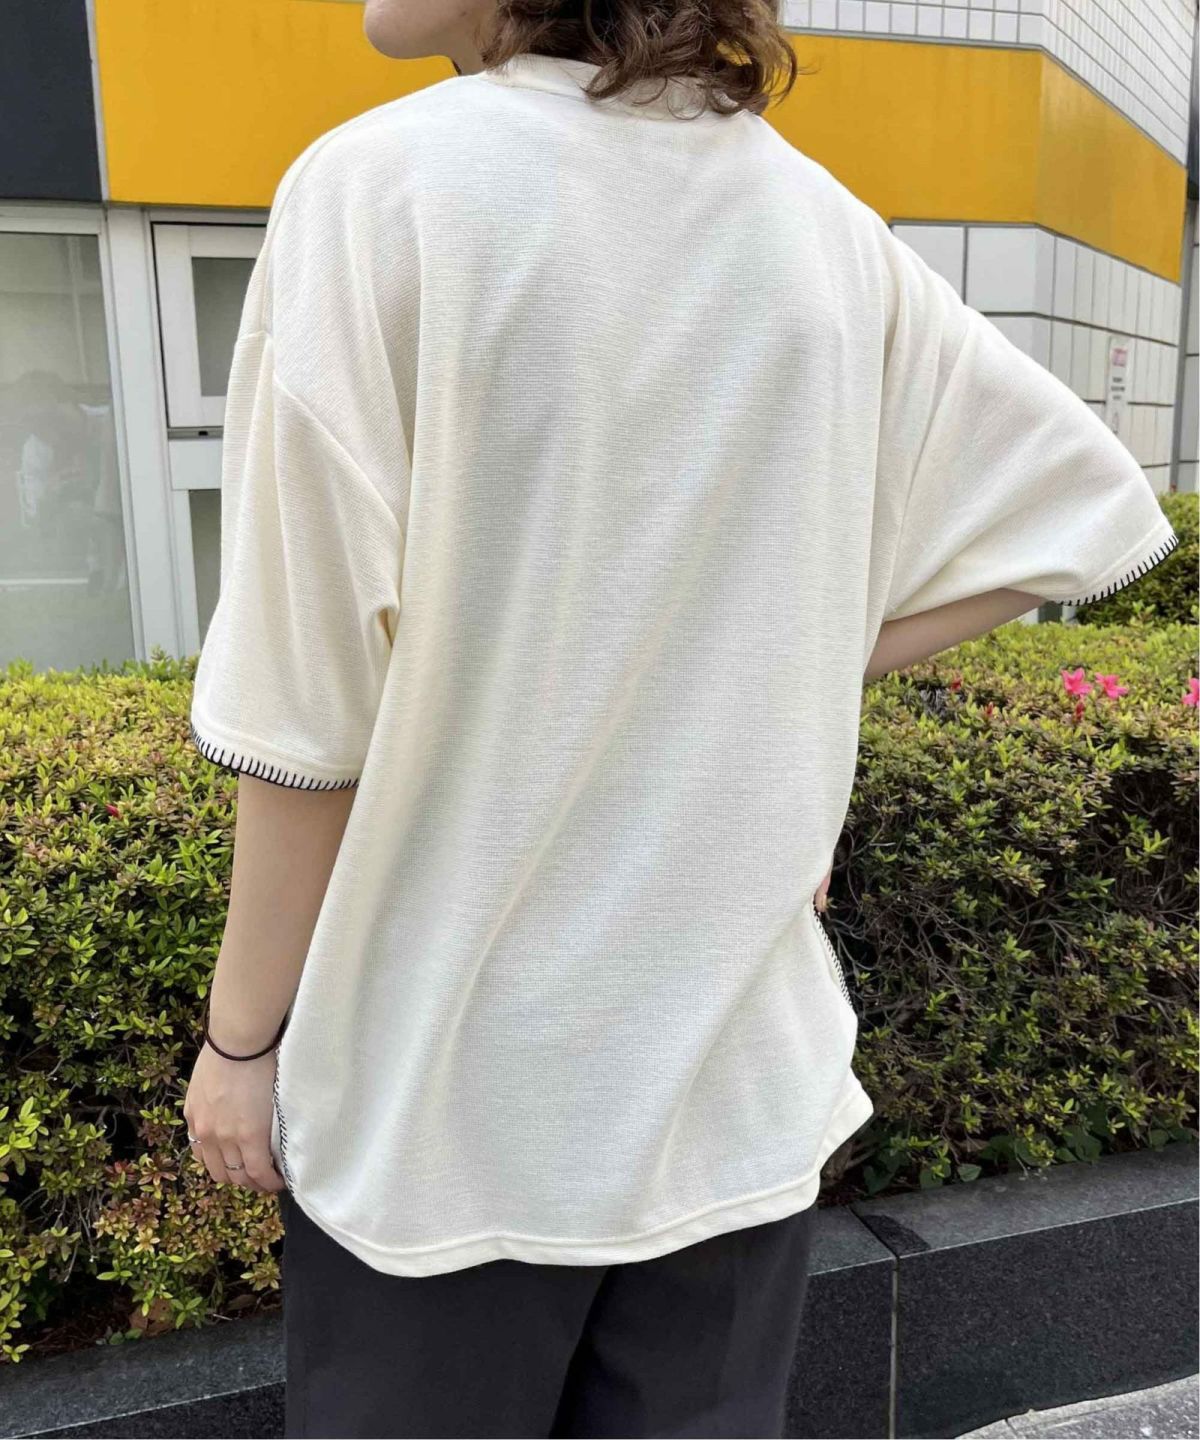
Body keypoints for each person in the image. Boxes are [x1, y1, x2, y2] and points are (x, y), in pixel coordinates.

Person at [182, 0, 1180, 1435]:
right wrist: (778, 672)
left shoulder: (382, 186)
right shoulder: (816, 223)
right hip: (731, 1092)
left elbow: (301, 709)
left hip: (449, 1116)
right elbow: (1079, 504)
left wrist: (240, 1043)